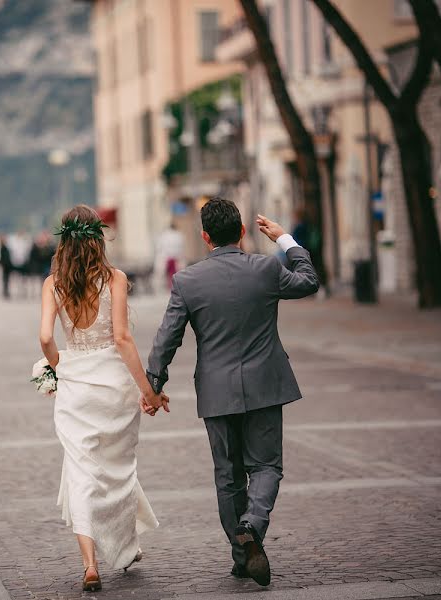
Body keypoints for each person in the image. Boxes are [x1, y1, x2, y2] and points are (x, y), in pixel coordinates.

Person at [144, 197, 319, 587]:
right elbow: (309, 280)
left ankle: (242, 556)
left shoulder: (187, 281)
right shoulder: (266, 269)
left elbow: (166, 339)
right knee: (267, 467)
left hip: (217, 392)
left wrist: (153, 384)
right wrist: (285, 239)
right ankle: (252, 526)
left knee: (228, 478)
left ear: (205, 237)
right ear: (242, 232)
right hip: (266, 387)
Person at [39, 205, 165, 593]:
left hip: (77, 386)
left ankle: (90, 564)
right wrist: (149, 391)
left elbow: (45, 337)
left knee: (80, 472)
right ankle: (127, 547)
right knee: (117, 470)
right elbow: (124, 339)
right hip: (114, 386)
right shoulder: (115, 279)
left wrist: (60, 366)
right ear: (98, 239)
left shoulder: (53, 283)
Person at [155, 222, 185, 291]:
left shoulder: (164, 235)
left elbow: (159, 247)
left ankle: (162, 288)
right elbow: (181, 247)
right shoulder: (179, 235)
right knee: (176, 274)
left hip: (166, 257)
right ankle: (176, 287)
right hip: (176, 257)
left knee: (163, 274)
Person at [0, 234, 13, 299]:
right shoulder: (4, 247)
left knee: (5, 279)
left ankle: (6, 292)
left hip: (6, 266)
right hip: (6, 266)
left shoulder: (4, 247)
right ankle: (5, 292)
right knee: (5, 280)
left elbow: (3, 258)